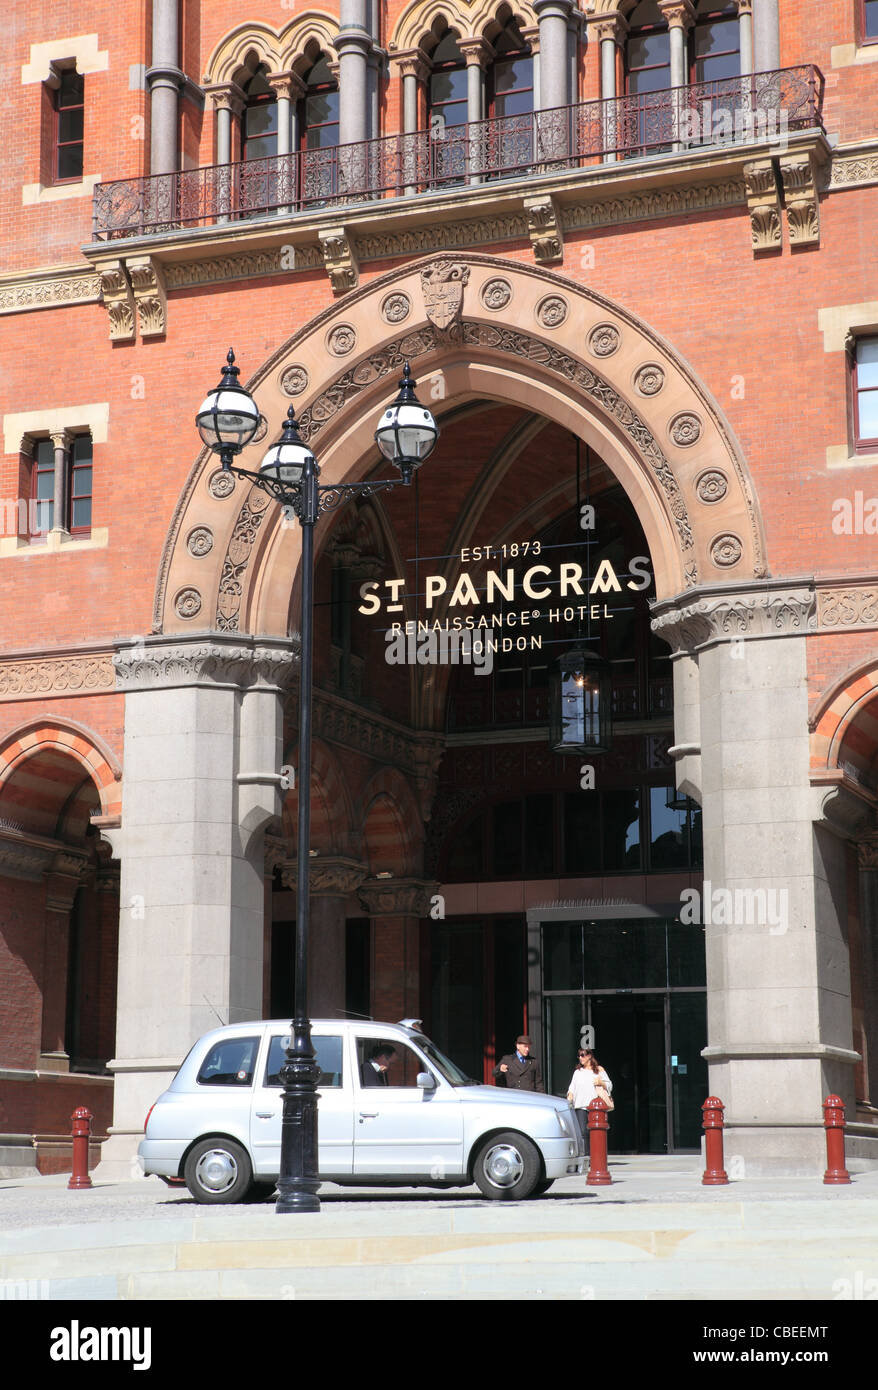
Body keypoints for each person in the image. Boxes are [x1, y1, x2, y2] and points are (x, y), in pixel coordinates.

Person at [567, 1048, 613, 1145]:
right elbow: (572, 1087)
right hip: (581, 1106)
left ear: (589, 1056)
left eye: (582, 1055)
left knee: (595, 1132)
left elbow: (609, 1085)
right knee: (583, 1132)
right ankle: (586, 1155)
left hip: (595, 1107)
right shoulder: (577, 1072)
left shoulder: (599, 1070)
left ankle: (594, 1156)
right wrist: (570, 1095)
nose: (580, 1058)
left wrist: (601, 1082)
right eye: (579, 1056)